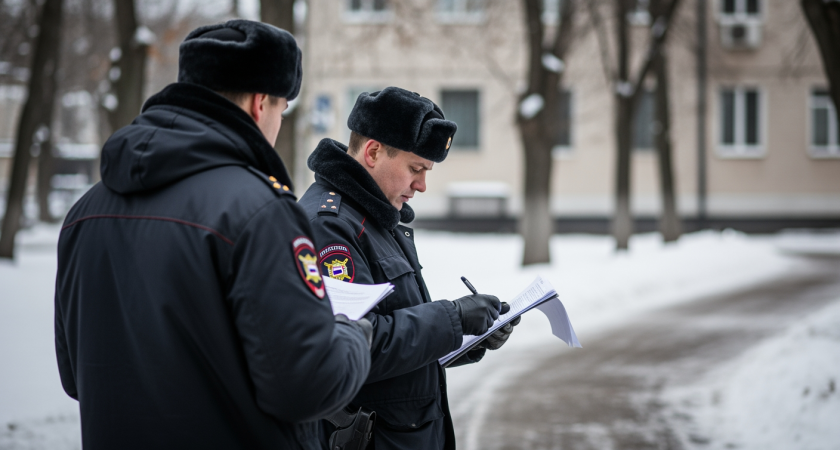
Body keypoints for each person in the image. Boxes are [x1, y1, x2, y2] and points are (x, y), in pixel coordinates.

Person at [54, 20, 372, 450]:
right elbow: (307, 386)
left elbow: (77, 376)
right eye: (281, 111)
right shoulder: (259, 212)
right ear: (260, 104)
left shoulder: (84, 213)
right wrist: (351, 334)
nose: (278, 124)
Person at [299, 87, 520, 450]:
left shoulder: (375, 216)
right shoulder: (331, 227)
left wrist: (469, 336)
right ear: (373, 152)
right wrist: (453, 318)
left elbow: (397, 331)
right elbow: (351, 348)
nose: (422, 185)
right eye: (416, 169)